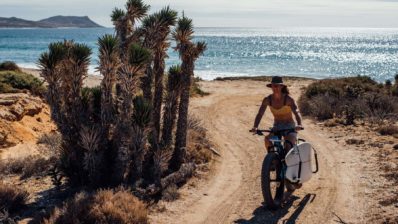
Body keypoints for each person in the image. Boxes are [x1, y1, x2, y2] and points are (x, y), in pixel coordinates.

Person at [250, 76, 304, 201]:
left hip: (290, 127)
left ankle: (291, 174)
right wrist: (255, 126)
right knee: (267, 140)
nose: (275, 87)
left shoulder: (288, 99)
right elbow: (260, 113)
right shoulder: (267, 99)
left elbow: (297, 112)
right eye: (273, 85)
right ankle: (273, 162)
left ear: (281, 87)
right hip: (277, 126)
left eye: (277, 85)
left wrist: (299, 124)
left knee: (288, 146)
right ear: (271, 87)